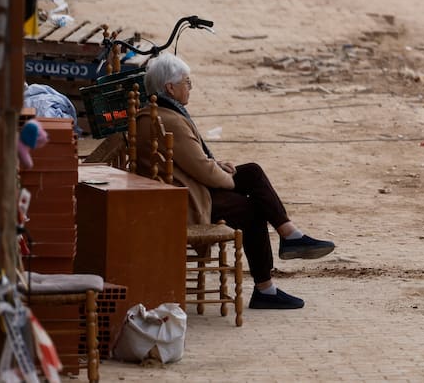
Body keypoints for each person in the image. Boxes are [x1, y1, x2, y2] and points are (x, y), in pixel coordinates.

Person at [135, 54, 334, 310]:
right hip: (186, 200)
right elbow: (202, 170)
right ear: (170, 88)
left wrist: (218, 167)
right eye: (187, 82)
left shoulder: (156, 113)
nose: (190, 88)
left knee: (251, 172)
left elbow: (193, 162)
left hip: (183, 189)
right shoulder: (169, 120)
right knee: (252, 210)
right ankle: (266, 287)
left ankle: (290, 234)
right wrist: (225, 178)